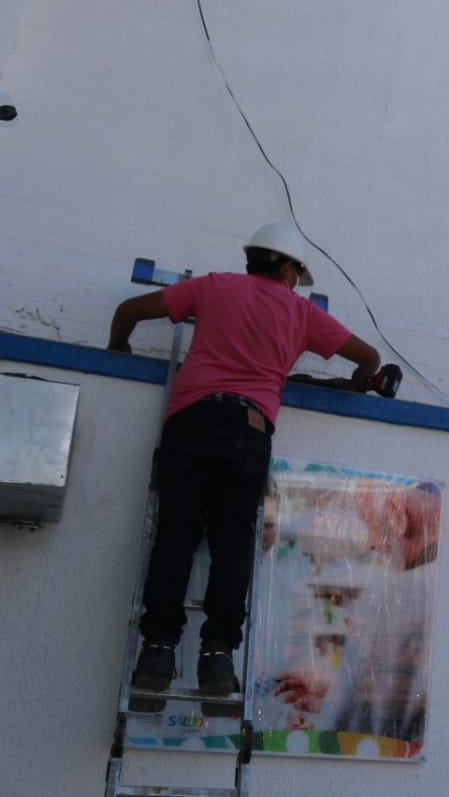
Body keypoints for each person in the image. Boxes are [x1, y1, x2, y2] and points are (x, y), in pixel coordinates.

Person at [108, 222, 381, 712]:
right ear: (288, 268)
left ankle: (156, 653)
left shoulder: (212, 287)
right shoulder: (300, 312)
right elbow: (368, 356)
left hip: (188, 424)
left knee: (176, 536)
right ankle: (217, 657)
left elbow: (128, 311)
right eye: (298, 270)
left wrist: (118, 350)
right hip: (248, 431)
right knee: (232, 545)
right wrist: (360, 383)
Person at [273, 481, 440, 745]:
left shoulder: (406, 592)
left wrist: (334, 703)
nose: (374, 542)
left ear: (401, 516)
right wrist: (332, 694)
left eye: (372, 523)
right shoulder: (430, 587)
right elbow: (393, 687)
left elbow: (393, 700)